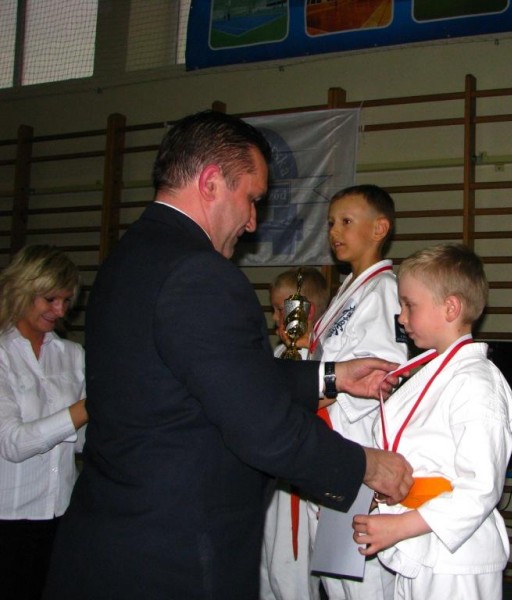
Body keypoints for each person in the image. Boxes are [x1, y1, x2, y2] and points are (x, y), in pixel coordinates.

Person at [43, 110, 413, 600]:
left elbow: (214, 377)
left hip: (116, 533)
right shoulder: (198, 274)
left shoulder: (129, 257)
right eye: (252, 199)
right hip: (176, 554)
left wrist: (330, 377)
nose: (253, 221)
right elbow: (262, 426)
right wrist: (365, 466)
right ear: (212, 183)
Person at [352, 244, 512, 600]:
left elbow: (480, 487)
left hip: (456, 557)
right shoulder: (433, 373)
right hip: (422, 544)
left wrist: (400, 526)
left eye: (409, 305)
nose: (401, 317)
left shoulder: (477, 382)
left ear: (451, 308)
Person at [307, 184, 409, 600]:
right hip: (329, 445)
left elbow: (382, 374)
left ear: (379, 229)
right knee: (337, 577)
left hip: (356, 449)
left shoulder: (384, 290)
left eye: (346, 222)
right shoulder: (349, 290)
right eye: (331, 223)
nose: (335, 231)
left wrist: (320, 394)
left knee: (362, 581)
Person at [0, 245, 88, 600]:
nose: (60, 311)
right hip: (7, 520)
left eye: (66, 301)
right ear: (23, 290)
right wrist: (86, 408)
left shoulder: (73, 355)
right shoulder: (3, 355)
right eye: (50, 299)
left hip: (61, 516)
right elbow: (13, 443)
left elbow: (82, 441)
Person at [261, 267, 330, 600]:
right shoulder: (276, 354)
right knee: (266, 571)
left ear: (305, 311)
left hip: (298, 488)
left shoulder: (320, 357)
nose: (276, 317)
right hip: (271, 481)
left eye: (281, 309)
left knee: (290, 574)